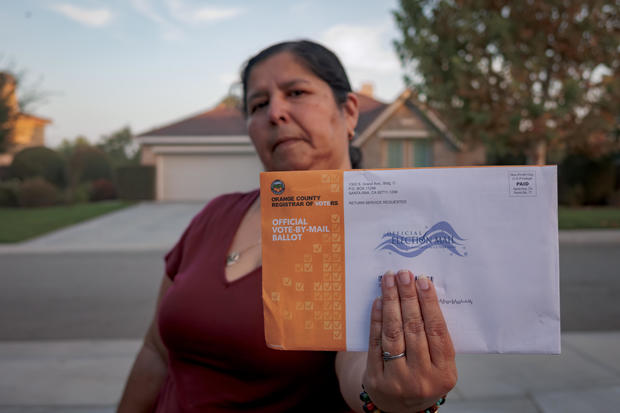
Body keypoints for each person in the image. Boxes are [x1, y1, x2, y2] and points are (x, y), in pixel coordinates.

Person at [118, 40, 457, 413]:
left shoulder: (379, 228)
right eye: (258, 104)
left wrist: (388, 393)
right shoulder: (215, 215)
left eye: (296, 92)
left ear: (348, 112)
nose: (275, 113)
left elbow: (356, 367)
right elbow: (155, 351)